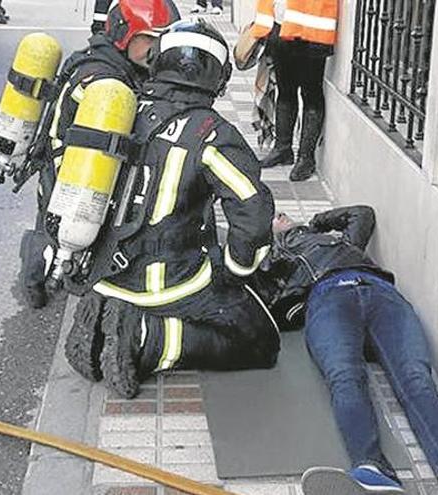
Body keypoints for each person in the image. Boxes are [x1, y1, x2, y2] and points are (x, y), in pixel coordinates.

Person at [83, 19, 280, 399]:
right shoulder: (212, 133)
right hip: (163, 283)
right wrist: (236, 268)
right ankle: (145, 338)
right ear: (215, 78)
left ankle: (108, 315)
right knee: (259, 339)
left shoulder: (123, 109)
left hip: (104, 269)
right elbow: (253, 217)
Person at [262, 206, 438, 495]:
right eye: (274, 217)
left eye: (281, 212)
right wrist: (268, 249)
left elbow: (363, 214)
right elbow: (263, 302)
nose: (281, 215)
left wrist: (317, 222)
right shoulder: (276, 260)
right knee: (345, 376)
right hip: (327, 298)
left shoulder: (342, 243)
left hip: (380, 292)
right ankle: (372, 470)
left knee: (414, 375)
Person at [18, 0, 180, 310]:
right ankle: (33, 263)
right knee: (56, 236)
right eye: (149, 38)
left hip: (84, 165)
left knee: (74, 234)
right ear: (123, 34)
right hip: (66, 170)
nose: (157, 48)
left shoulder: (118, 65)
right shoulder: (101, 79)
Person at [250, 0, 336, 181]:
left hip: (312, 29)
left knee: (310, 93)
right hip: (281, 24)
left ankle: (306, 157)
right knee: (285, 90)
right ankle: (283, 148)